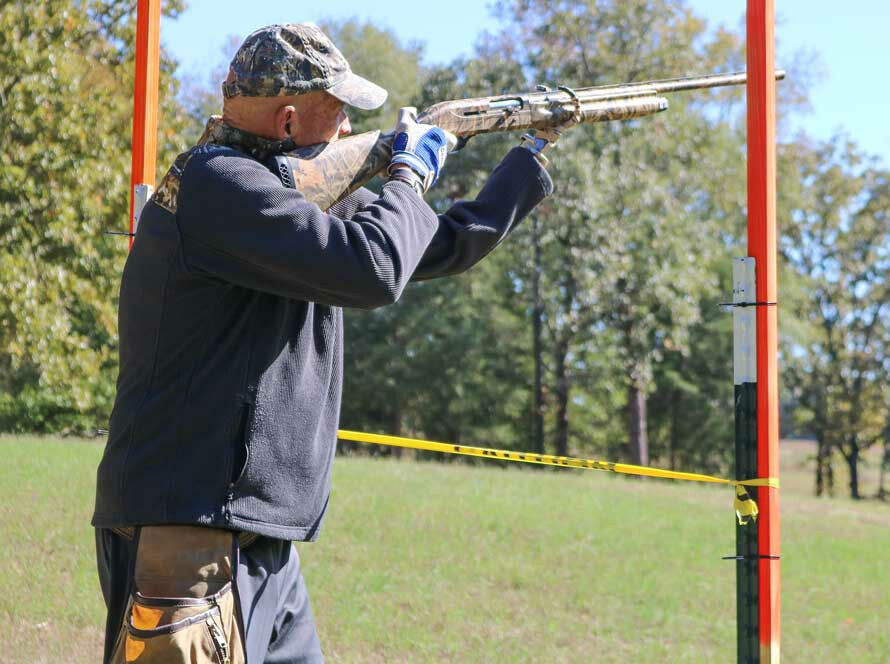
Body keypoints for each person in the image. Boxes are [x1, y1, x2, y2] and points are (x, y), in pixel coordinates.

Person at [92, 22, 558, 663]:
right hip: (188, 536)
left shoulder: (285, 195)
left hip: (258, 538)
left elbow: (428, 242)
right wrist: (408, 173)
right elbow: (372, 270)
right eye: (336, 111)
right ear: (287, 121)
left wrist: (526, 158)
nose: (345, 129)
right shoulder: (217, 183)